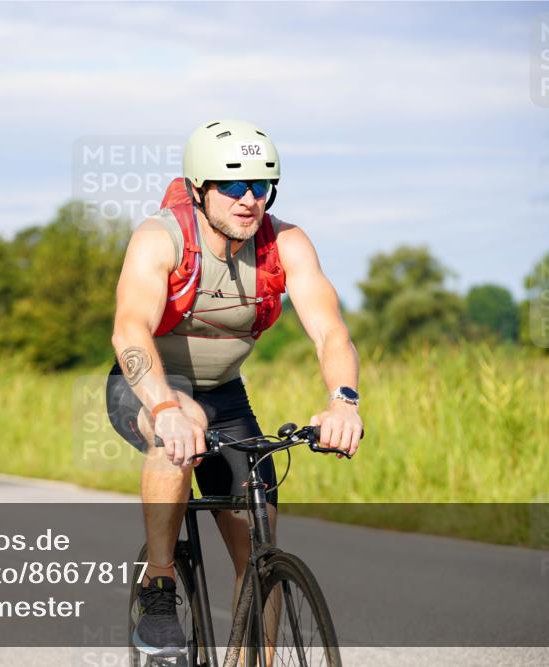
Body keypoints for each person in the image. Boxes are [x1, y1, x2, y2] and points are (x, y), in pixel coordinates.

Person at [106, 119, 364, 657]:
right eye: (233, 185)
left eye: (261, 186)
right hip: (149, 382)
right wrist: (165, 406)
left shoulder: (285, 242)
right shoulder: (162, 238)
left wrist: (343, 400)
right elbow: (129, 330)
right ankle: (159, 587)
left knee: (259, 542)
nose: (249, 200)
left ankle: (254, 657)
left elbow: (330, 331)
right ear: (200, 189)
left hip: (224, 392)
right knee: (177, 431)